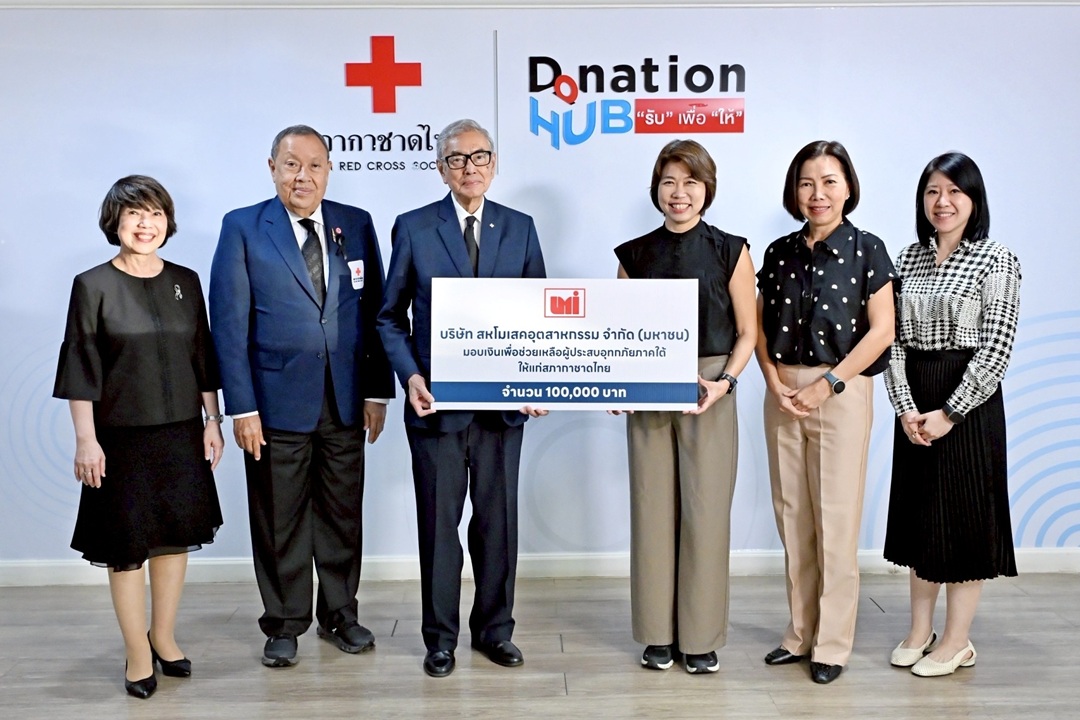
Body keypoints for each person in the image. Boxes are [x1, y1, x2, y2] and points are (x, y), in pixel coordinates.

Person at [209, 125, 394, 668]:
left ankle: (340, 614)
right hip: (272, 403)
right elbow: (228, 323)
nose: (303, 176)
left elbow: (376, 311)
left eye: (315, 165)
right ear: (272, 168)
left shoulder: (355, 223)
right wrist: (241, 407)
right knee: (279, 517)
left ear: (329, 170)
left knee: (342, 514)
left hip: (345, 398)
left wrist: (377, 391)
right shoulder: (243, 226)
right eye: (292, 165)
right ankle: (285, 622)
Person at [378, 118, 547, 678]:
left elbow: (540, 316)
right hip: (436, 405)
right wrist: (409, 377)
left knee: (498, 526)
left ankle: (496, 632)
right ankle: (440, 640)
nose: (469, 168)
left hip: (502, 408)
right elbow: (389, 317)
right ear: (440, 168)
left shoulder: (520, 228)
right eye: (456, 158)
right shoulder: (414, 227)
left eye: (479, 157)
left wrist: (539, 379)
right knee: (438, 527)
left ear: (494, 164)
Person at [54, 175, 224, 699]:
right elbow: (80, 364)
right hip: (120, 441)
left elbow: (202, 355)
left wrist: (212, 420)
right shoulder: (93, 285)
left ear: (167, 222)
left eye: (154, 214)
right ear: (116, 222)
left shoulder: (185, 281)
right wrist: (86, 440)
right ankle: (136, 653)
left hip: (181, 434)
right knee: (126, 549)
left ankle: (164, 638)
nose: (145, 224)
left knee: (174, 539)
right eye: (134, 214)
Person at [611, 140, 757, 674]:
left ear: (707, 189)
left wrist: (726, 383)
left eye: (691, 182)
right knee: (651, 508)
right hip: (649, 386)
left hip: (709, 386)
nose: (679, 193)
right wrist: (616, 386)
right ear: (656, 189)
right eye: (669, 182)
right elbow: (617, 333)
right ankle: (657, 635)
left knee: (706, 511)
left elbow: (748, 332)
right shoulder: (633, 255)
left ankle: (700, 637)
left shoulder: (731, 250)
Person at [754, 140, 896, 685]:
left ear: (848, 187)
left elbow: (881, 331)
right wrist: (772, 379)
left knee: (835, 519)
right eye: (807, 183)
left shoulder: (868, 249)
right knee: (792, 516)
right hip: (782, 391)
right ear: (795, 191)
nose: (818, 193)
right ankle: (799, 633)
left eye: (829, 181)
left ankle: (832, 644)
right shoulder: (778, 252)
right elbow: (759, 325)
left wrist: (828, 384)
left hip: (842, 389)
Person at [883, 152, 1020, 677]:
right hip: (915, 399)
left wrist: (951, 412)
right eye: (932, 191)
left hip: (968, 404)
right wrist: (906, 407)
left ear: (974, 199)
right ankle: (920, 631)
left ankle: (958, 641)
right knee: (922, 519)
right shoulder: (908, 258)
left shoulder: (996, 259)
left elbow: (997, 348)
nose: (942, 202)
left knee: (963, 520)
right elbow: (891, 340)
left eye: (954, 191)